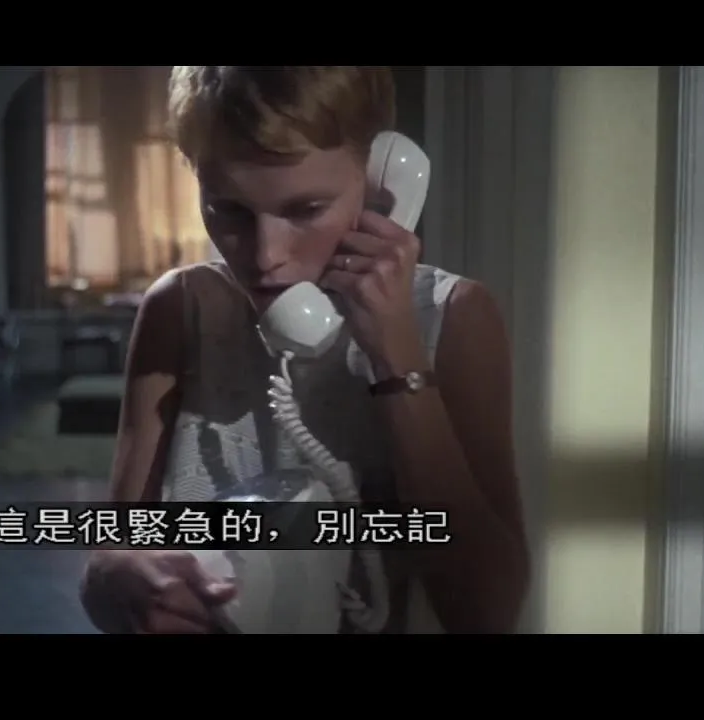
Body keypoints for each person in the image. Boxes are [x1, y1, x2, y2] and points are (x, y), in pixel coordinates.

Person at [79, 66, 530, 634]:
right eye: (229, 211)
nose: (266, 256)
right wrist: (117, 577)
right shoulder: (179, 310)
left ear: (379, 177)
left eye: (305, 210)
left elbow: (488, 615)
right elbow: (109, 560)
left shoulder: (456, 317)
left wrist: (397, 358)